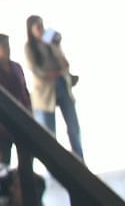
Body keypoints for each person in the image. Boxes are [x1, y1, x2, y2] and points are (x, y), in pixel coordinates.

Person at [24, 15, 83, 160]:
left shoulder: (50, 41)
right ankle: (54, 162)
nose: (41, 30)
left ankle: (79, 158)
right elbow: (35, 70)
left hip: (62, 85)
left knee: (73, 126)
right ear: (31, 30)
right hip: (45, 92)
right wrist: (51, 73)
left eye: (42, 26)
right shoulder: (29, 47)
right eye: (38, 27)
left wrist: (55, 45)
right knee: (49, 131)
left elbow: (65, 64)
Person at [0, 34, 32, 173]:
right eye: (4, 46)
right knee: (4, 162)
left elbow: (24, 92)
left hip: (22, 122)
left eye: (8, 46)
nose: (7, 49)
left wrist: (30, 113)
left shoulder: (16, 67)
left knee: (26, 159)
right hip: (1, 125)